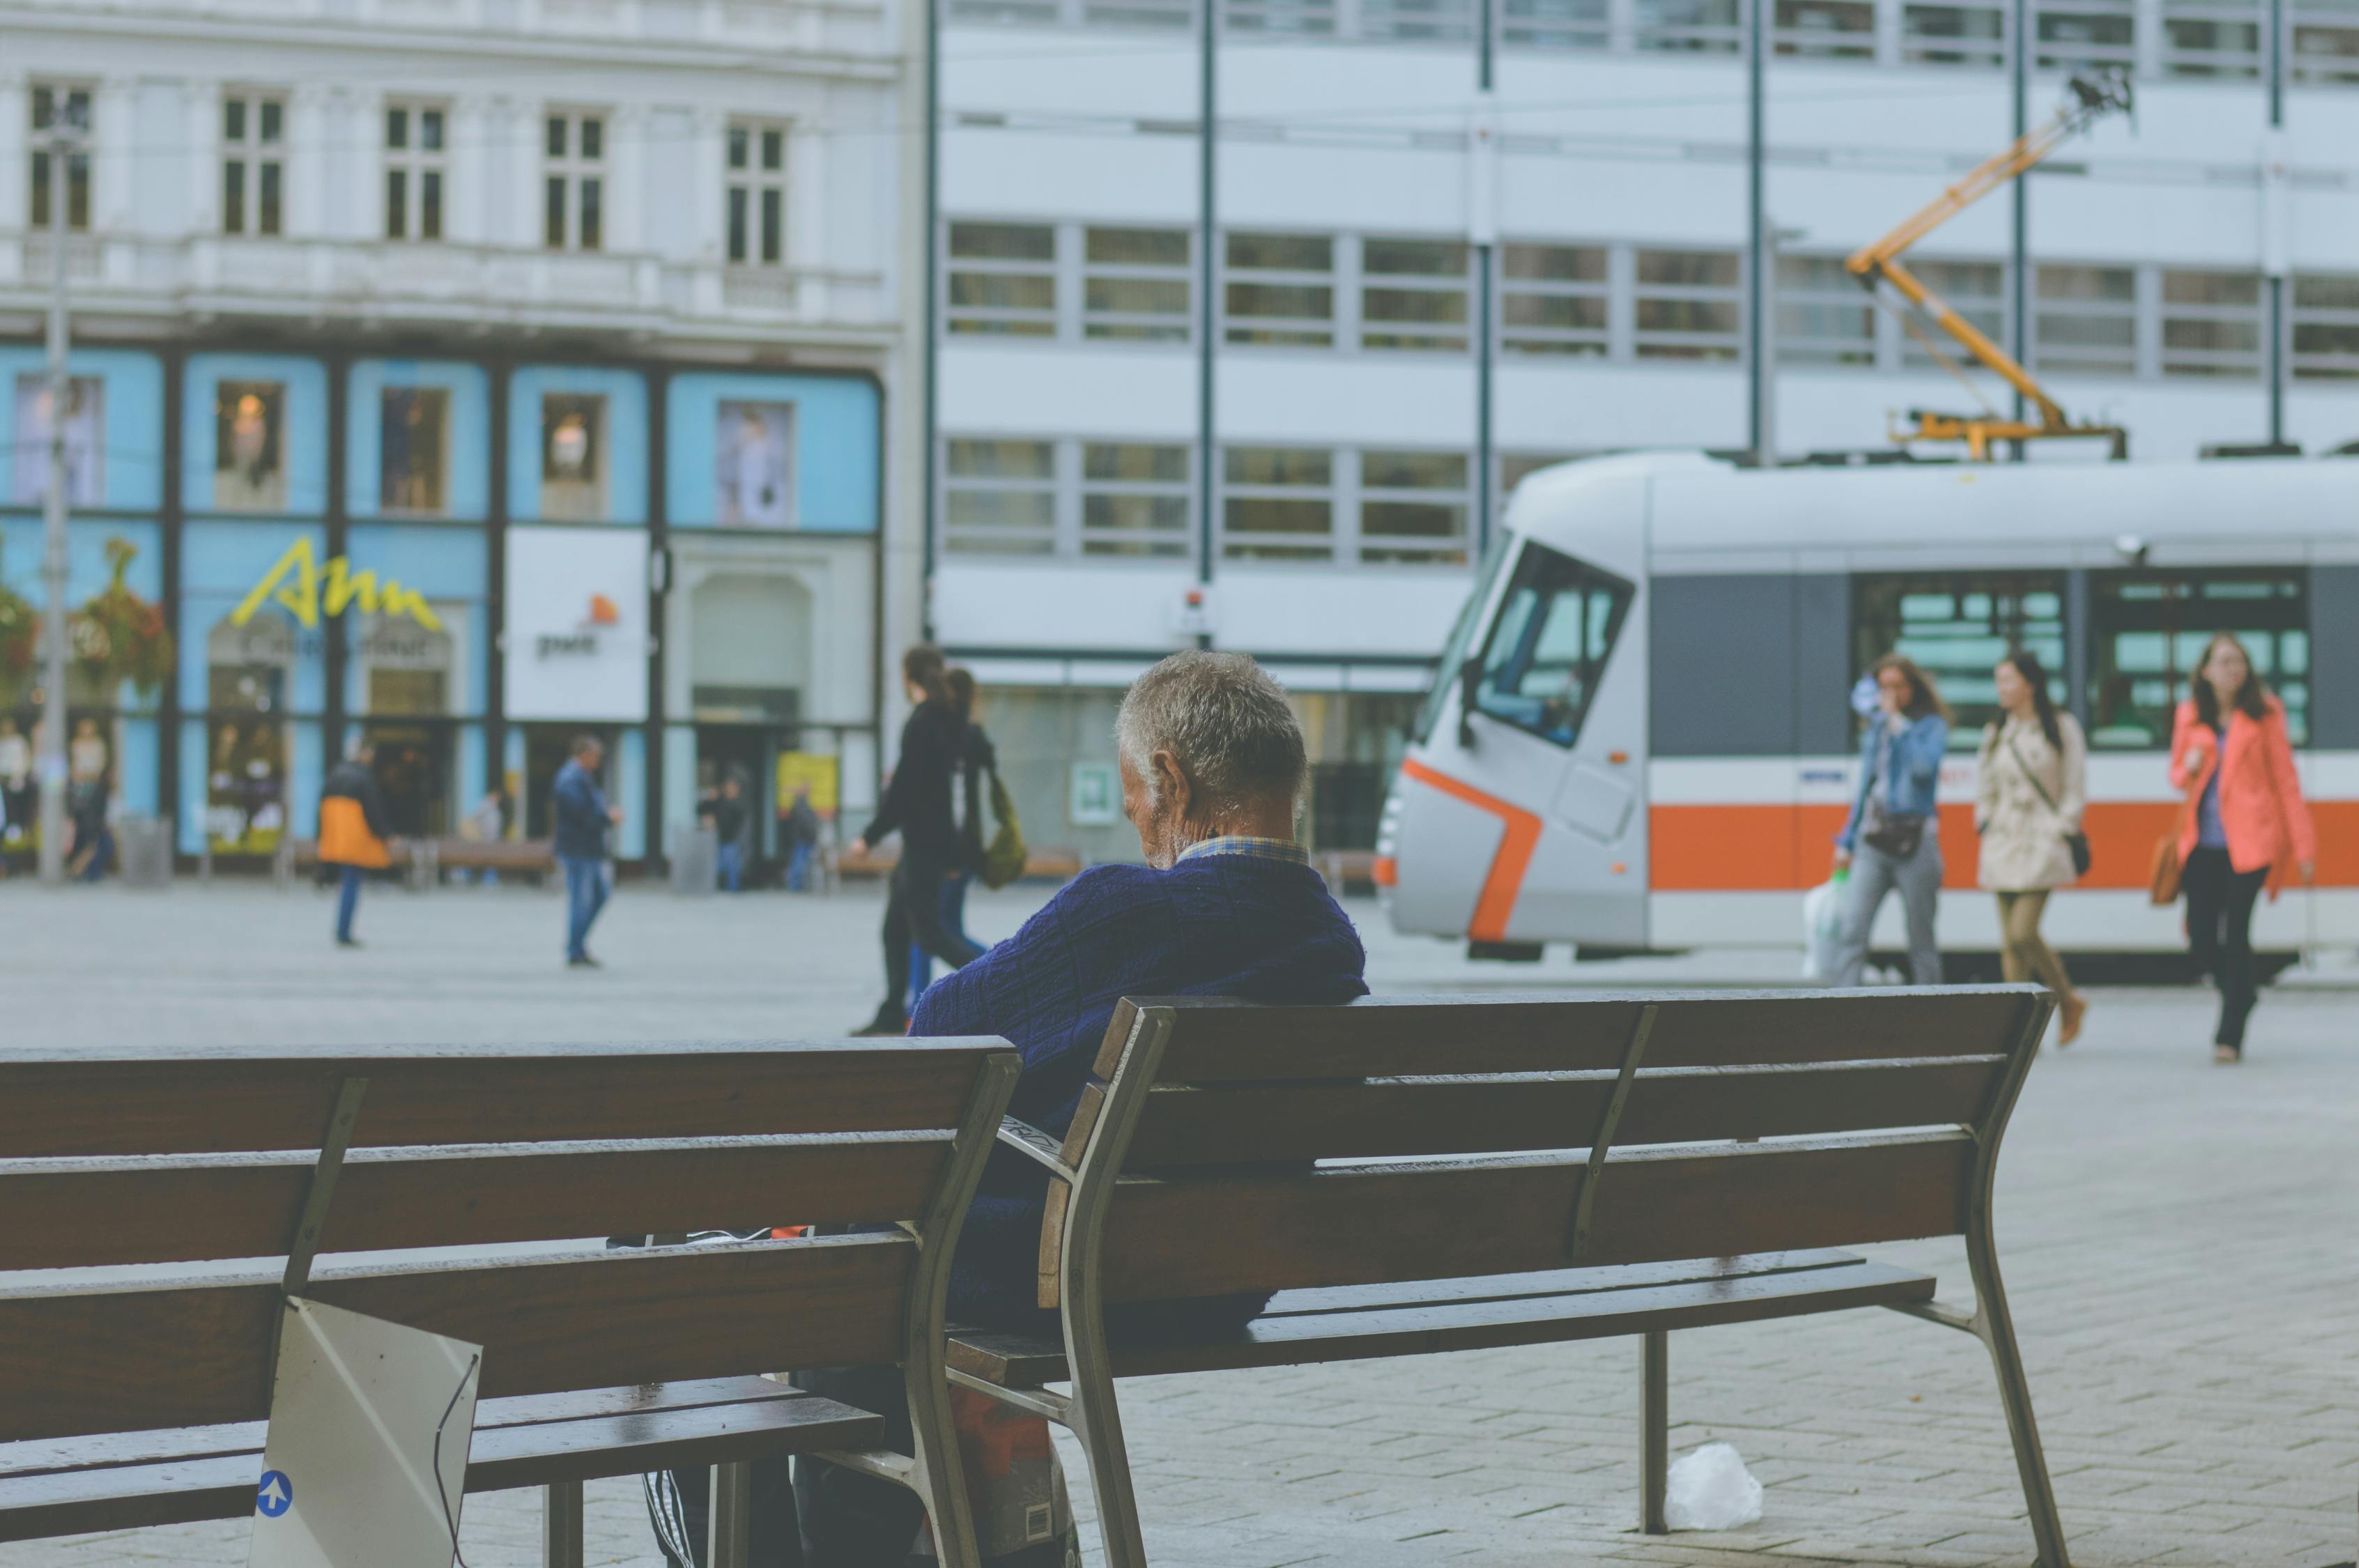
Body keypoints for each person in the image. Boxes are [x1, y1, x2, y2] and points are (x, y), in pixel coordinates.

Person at [647, 650, 1367, 1567]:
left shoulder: (1118, 912)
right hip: (1218, 1282)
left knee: (820, 1270)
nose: (1139, 820)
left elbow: (938, 1029)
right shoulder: (1328, 946)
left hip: (1068, 1282)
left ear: (1169, 777)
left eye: (1134, 793)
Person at [2169, 631, 2315, 1063]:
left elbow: (2286, 781)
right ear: (2207, 671)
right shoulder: (2190, 715)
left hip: (2250, 842)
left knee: (2235, 935)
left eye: (2240, 661)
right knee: (2199, 935)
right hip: (2202, 844)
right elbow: (2176, 774)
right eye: (2224, 661)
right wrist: (2188, 768)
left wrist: (2304, 847)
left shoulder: (2266, 714)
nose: (2234, 668)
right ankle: (2242, 993)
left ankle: (2229, 1034)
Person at [850, 647, 988, 1035]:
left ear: (907, 676)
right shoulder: (953, 721)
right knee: (896, 930)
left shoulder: (926, 721)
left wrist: (869, 836)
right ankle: (893, 1012)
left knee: (931, 934)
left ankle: (1001, 983)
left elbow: (904, 790)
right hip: (938, 845)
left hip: (926, 847)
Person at [1975, 649, 2089, 1045]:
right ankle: (2019, 1032)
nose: (2001, 688)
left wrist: (2061, 827)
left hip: (2042, 840)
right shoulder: (1997, 731)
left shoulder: (2061, 726)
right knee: (2009, 941)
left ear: (2030, 684)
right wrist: (1985, 820)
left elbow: (2074, 786)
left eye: (2008, 680)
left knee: (2023, 932)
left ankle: (2068, 999)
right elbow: (1985, 786)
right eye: (1999, 681)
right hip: (2003, 839)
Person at [1829, 654, 1951, 987]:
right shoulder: (1876, 727)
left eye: (1898, 686)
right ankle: (1840, 1011)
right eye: (1884, 687)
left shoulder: (1931, 726)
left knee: (1920, 937)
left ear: (1912, 688)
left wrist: (1900, 726)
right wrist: (1847, 839)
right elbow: (1867, 787)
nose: (1890, 694)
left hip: (1916, 842)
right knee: (1853, 928)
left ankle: (1933, 1012)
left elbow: (1923, 769)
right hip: (1875, 840)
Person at [907, 667, 995, 1013]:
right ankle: (916, 1005)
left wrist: (954, 858)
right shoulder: (970, 736)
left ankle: (1000, 971)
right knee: (947, 929)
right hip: (961, 851)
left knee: (930, 932)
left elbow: (955, 804)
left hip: (949, 854)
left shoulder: (954, 738)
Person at [554, 735, 622, 969]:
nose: (598, 761)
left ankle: (577, 945)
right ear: (583, 755)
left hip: (588, 849)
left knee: (599, 895)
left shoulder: (581, 777)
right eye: (595, 756)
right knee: (582, 900)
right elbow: (580, 815)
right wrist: (608, 817)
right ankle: (575, 949)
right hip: (579, 849)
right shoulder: (570, 779)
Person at [318, 742, 391, 948]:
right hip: (357, 840)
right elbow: (373, 810)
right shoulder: (364, 777)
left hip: (337, 840)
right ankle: (344, 932)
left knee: (346, 884)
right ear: (363, 754)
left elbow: (322, 808)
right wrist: (385, 833)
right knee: (351, 885)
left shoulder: (334, 774)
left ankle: (342, 931)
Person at [709, 771, 750, 893]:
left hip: (732, 839)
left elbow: (740, 821)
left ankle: (733, 888)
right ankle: (721, 887)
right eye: (728, 787)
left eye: (732, 787)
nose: (730, 789)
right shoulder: (720, 803)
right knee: (720, 865)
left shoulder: (738, 804)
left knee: (732, 865)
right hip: (719, 838)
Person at [783, 784, 820, 892]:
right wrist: (812, 835)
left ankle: (798, 885)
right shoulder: (801, 806)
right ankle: (795, 886)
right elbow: (806, 824)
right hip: (803, 839)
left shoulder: (801, 805)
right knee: (799, 863)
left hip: (804, 839)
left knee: (800, 862)